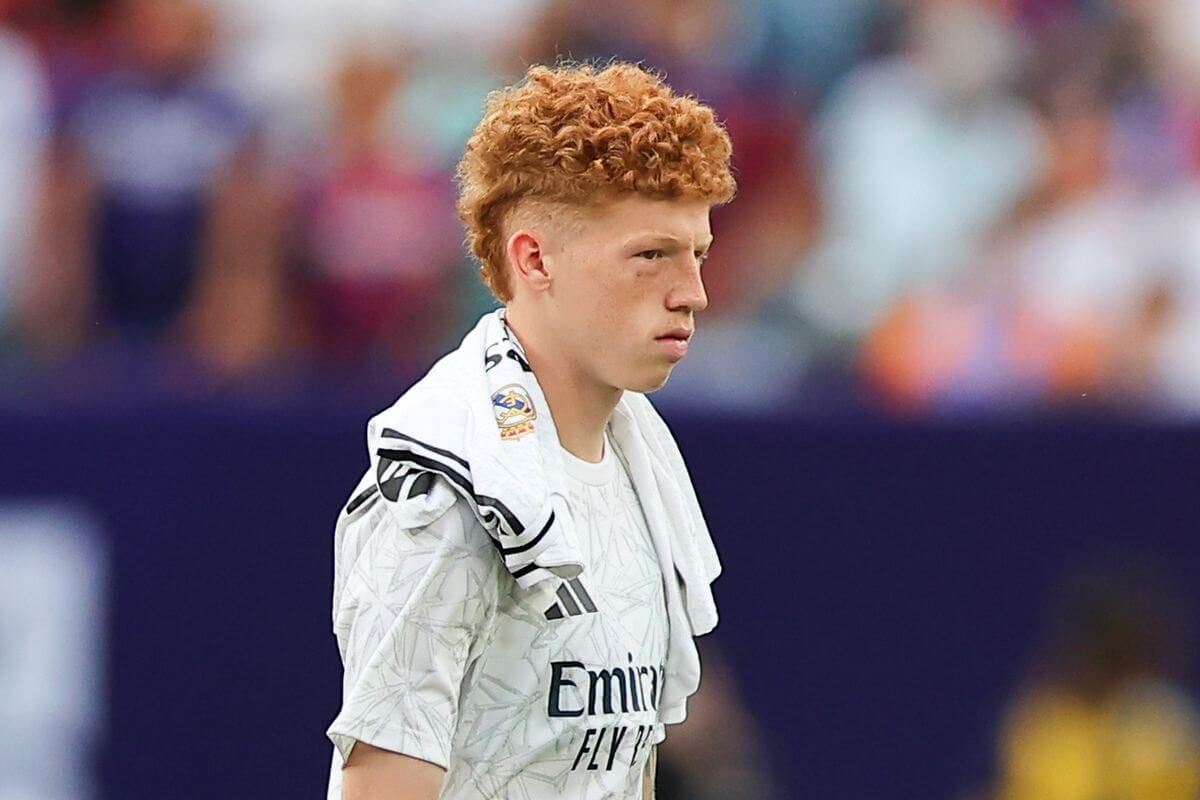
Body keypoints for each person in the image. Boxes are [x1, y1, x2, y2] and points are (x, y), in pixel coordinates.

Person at [324, 62, 735, 799]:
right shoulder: (443, 498)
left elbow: (618, 767)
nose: (693, 293)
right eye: (651, 256)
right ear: (534, 257)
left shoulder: (640, 464)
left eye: (696, 253)